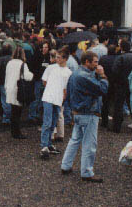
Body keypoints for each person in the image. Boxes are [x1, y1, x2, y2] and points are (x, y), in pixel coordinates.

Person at [61, 51, 108, 183]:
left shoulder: (74, 74)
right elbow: (103, 89)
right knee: (89, 144)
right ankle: (87, 172)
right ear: (87, 62)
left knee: (75, 139)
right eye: (95, 62)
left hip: (77, 112)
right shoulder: (86, 77)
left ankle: (66, 165)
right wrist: (103, 76)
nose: (97, 65)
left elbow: (68, 93)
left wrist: (71, 110)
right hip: (89, 113)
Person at [40, 48, 72, 159]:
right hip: (48, 97)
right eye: (56, 57)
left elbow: (66, 88)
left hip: (58, 100)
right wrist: (51, 89)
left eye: (59, 57)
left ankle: (48, 144)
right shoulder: (50, 68)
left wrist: (62, 96)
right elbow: (44, 81)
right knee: (47, 122)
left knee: (53, 122)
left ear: (65, 59)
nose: (56, 59)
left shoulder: (68, 72)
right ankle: (44, 146)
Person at [111, 40, 132, 133]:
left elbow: (114, 71)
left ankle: (117, 127)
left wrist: (116, 82)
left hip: (121, 85)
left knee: (118, 106)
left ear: (122, 48)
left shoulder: (120, 58)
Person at [5, 46, 33, 139]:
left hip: (9, 87)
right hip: (18, 89)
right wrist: (32, 74)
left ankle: (14, 131)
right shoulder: (22, 64)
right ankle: (17, 132)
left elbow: (7, 75)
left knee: (13, 111)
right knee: (18, 112)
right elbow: (27, 77)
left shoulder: (9, 63)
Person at [28, 40, 51, 123]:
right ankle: (32, 115)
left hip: (46, 81)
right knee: (36, 98)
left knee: (43, 98)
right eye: (43, 47)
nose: (44, 49)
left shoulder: (49, 57)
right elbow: (33, 68)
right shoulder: (36, 56)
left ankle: (38, 115)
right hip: (38, 80)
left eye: (46, 47)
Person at [99, 44, 119, 128]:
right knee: (115, 103)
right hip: (115, 83)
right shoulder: (118, 58)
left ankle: (104, 121)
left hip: (105, 81)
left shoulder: (103, 58)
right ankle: (115, 122)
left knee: (105, 103)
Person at [0, 43, 14, 125]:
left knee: (4, 100)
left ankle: (6, 118)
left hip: (3, 82)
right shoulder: (13, 59)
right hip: (12, 82)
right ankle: (11, 116)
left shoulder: (0, 60)